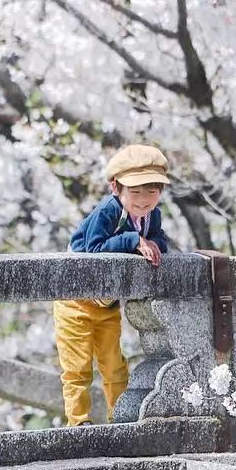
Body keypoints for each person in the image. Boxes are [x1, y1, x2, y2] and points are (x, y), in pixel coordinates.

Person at [53, 144, 170, 426]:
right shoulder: (107, 212)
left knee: (114, 365)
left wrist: (154, 244)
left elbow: (159, 239)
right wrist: (132, 241)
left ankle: (120, 419)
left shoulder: (151, 215)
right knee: (78, 367)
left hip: (107, 303)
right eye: (136, 192)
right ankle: (77, 423)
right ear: (115, 188)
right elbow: (94, 251)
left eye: (151, 192)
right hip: (75, 299)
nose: (143, 200)